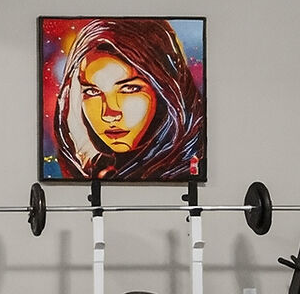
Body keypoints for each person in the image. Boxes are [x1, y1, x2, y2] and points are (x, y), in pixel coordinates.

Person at [49, 18, 203, 182]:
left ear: (164, 88)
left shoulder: (191, 167)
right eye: (92, 91)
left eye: (129, 89)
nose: (109, 114)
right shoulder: (89, 169)